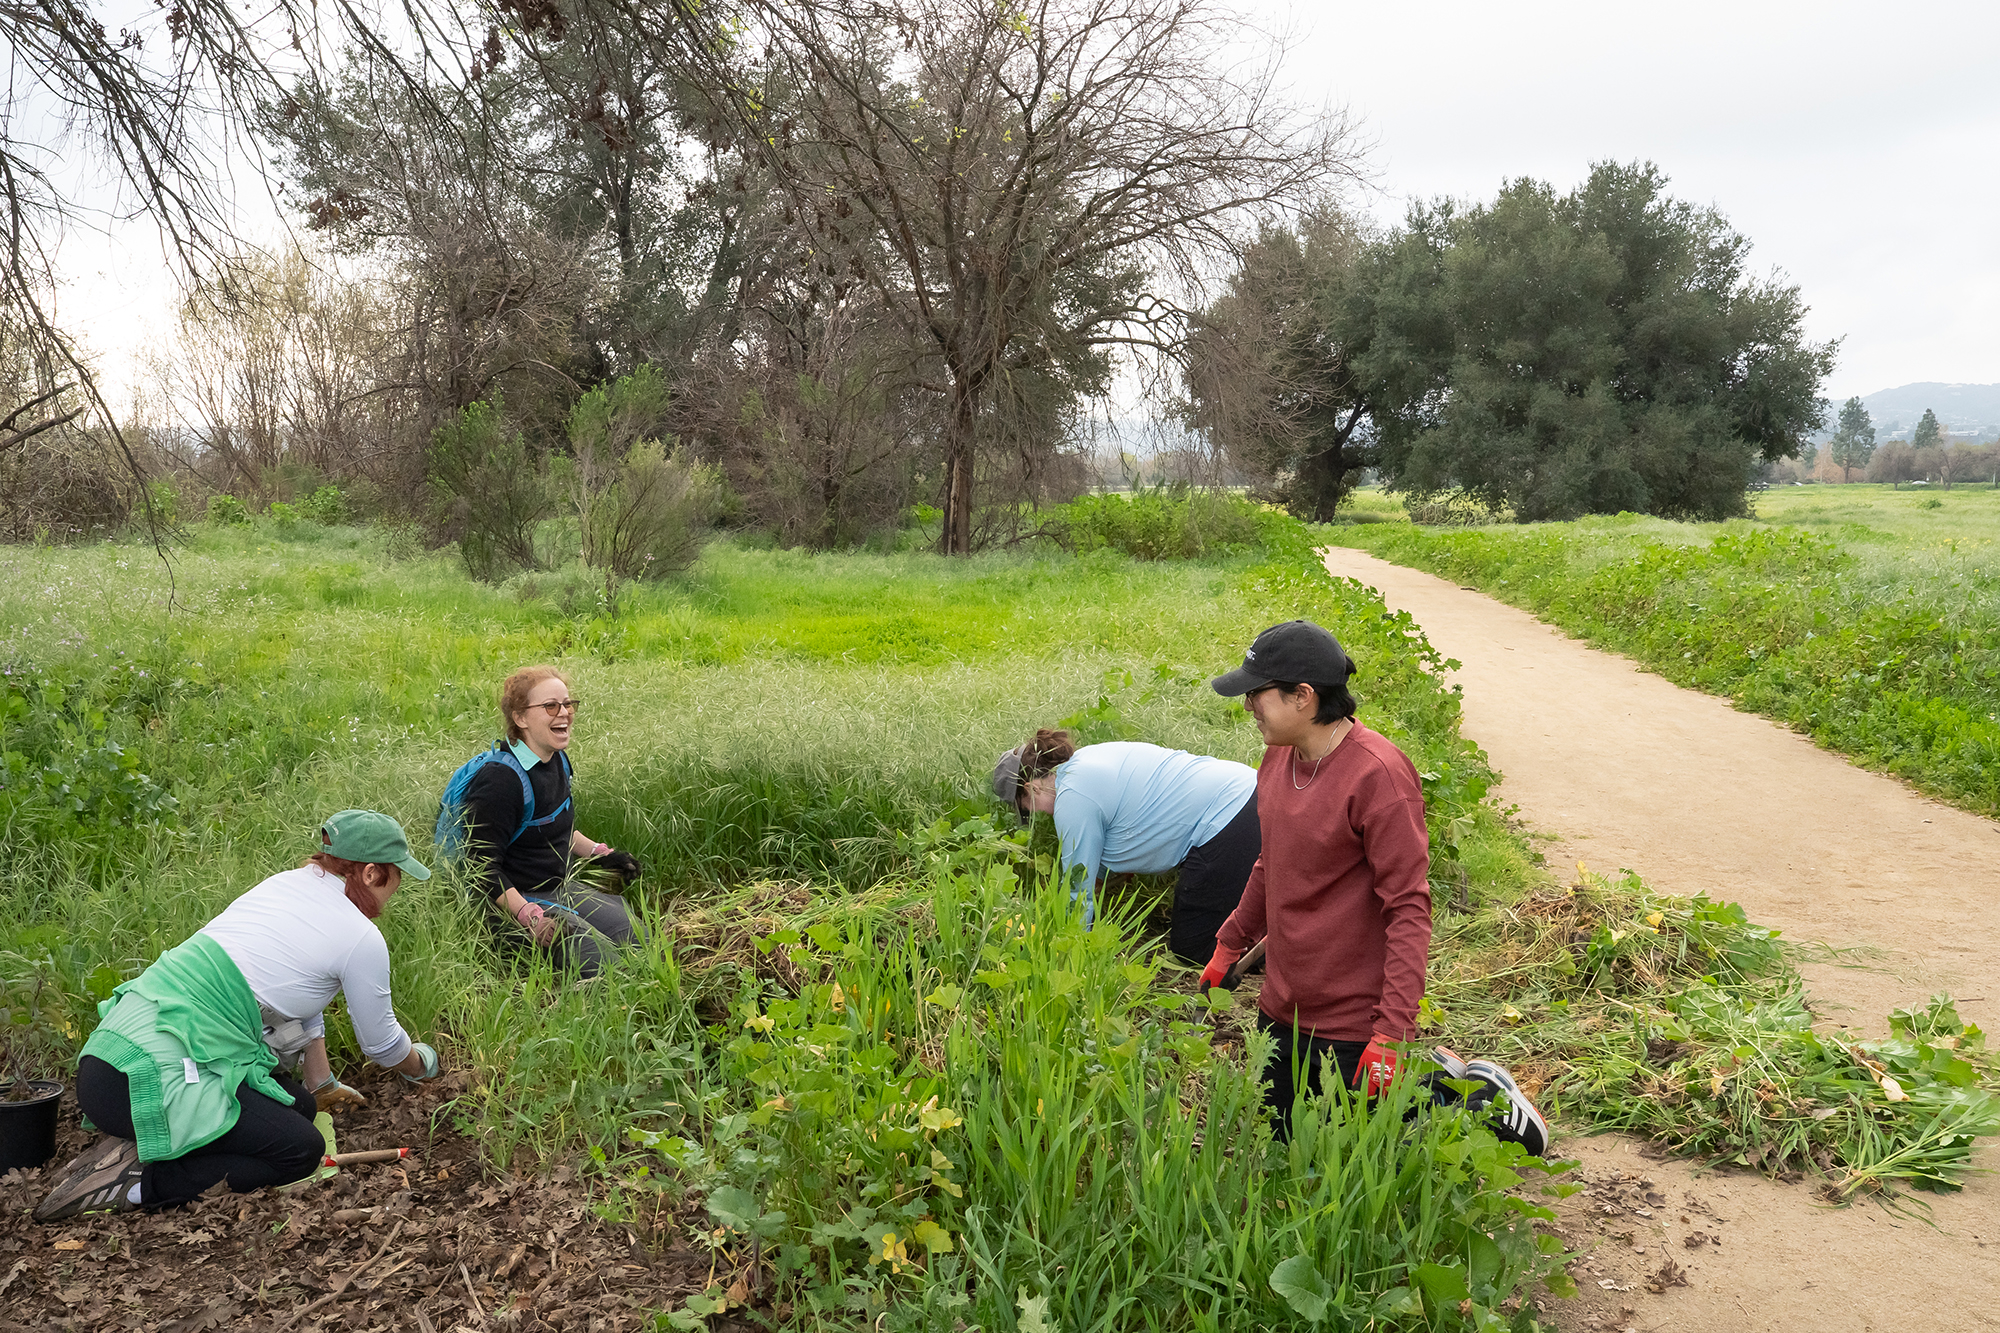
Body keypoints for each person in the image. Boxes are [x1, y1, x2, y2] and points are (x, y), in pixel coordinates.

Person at [34, 811, 446, 1222]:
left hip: (109, 1059)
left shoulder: (281, 886)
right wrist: (421, 1065)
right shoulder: (360, 937)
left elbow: (299, 995)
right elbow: (381, 1044)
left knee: (300, 1106)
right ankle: (139, 1183)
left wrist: (320, 1081)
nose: (396, 890)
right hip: (146, 1079)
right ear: (372, 873)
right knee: (300, 1151)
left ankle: (143, 1141)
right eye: (397, 877)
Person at [1201, 619, 1435, 1138]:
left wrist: (1392, 1033)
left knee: (1344, 1174)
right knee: (1279, 1151)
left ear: (1303, 696)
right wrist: (1228, 944)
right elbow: (1271, 863)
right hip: (1280, 1009)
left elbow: (1409, 909)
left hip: (1351, 1027)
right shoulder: (1277, 758)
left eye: (1256, 694)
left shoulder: (1378, 776)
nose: (1246, 706)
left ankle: (1451, 1095)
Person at [445, 665, 642, 977]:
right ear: (520, 718)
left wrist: (602, 854)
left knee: (639, 939)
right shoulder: (500, 781)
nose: (563, 713)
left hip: (556, 887)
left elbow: (552, 825)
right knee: (608, 967)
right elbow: (480, 867)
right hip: (511, 902)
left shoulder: (557, 760)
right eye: (550, 706)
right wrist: (528, 915)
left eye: (568, 704)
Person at [992, 732, 1258, 963]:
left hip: (1230, 817)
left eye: (1027, 809)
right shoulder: (1086, 761)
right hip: (1249, 791)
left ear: (1031, 788)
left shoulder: (1072, 797)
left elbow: (1078, 885)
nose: (1040, 816)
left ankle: (1275, 950)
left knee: (1193, 949)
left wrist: (1069, 947)